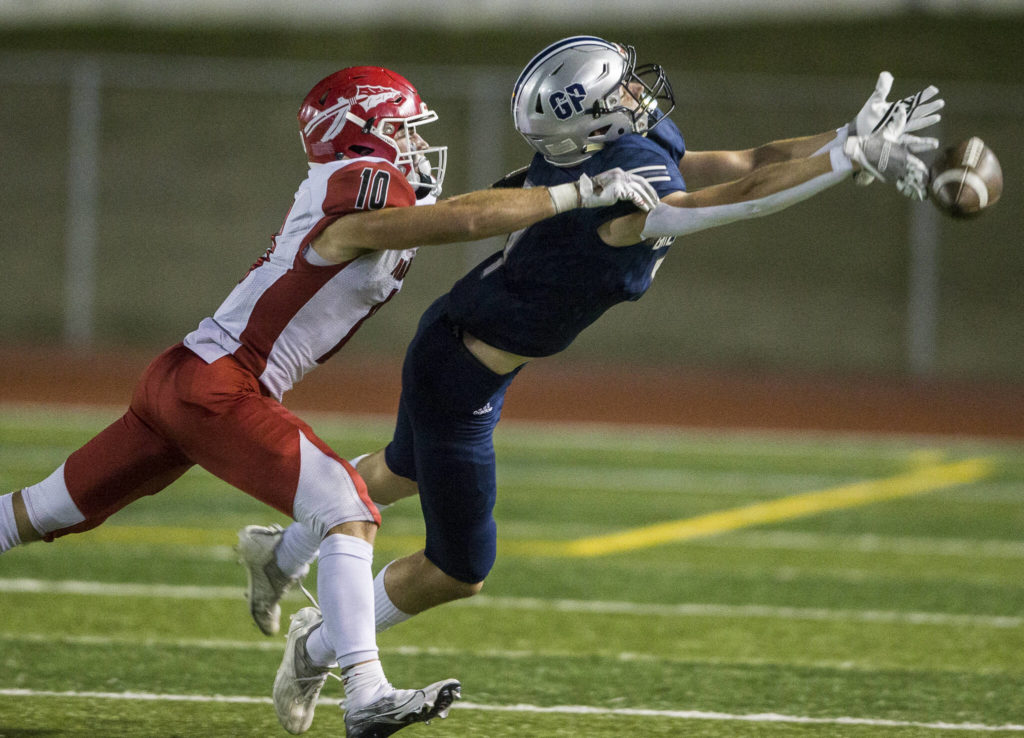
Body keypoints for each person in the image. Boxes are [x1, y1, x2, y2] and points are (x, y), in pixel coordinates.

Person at [239, 38, 944, 730]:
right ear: (591, 122)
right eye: (619, 90)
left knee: (401, 470)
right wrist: (846, 160)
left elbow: (749, 160)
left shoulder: (614, 154)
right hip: (459, 376)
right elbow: (746, 196)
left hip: (458, 343)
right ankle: (321, 641)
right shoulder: (616, 200)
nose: (639, 93)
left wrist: (846, 137)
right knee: (459, 568)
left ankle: (283, 552)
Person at [0, 64, 659, 737]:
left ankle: (285, 573)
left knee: (37, 511)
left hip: (187, 379)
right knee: (347, 505)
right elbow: (459, 221)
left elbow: (454, 211)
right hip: (217, 384)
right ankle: (366, 693)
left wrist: (553, 186)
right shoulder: (356, 189)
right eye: (400, 128)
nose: (411, 143)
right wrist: (577, 191)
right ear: (361, 131)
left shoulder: (361, 195)